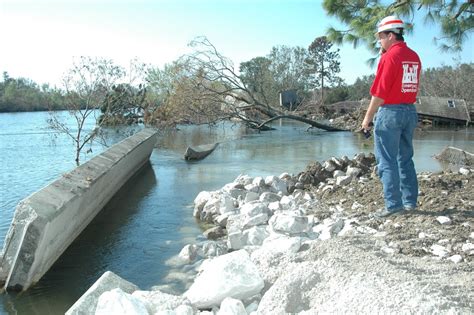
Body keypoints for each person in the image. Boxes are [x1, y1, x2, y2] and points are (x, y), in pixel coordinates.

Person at [362, 16, 422, 218]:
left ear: (390, 35)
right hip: (409, 111)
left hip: (390, 113)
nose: (379, 41)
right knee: (405, 159)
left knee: (386, 160)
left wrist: (367, 118)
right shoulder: (413, 56)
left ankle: (393, 205)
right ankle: (409, 202)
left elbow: (380, 93)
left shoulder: (389, 58)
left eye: (380, 37)